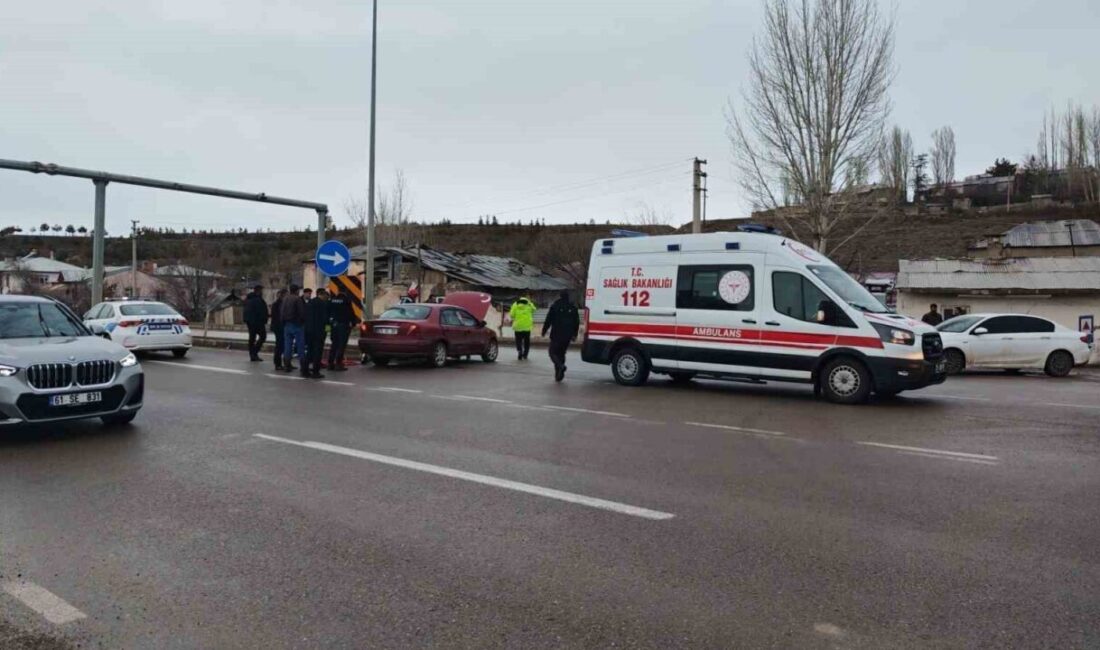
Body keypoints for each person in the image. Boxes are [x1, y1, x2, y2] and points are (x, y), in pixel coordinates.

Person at [541, 290, 580, 382]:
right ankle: (559, 374)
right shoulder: (573, 307)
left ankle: (560, 367)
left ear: (560, 296)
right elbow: (576, 322)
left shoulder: (555, 306)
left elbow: (548, 319)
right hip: (567, 335)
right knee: (561, 354)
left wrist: (544, 330)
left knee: (552, 353)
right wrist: (575, 334)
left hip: (556, 334)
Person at [327, 284, 357, 372]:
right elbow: (351, 313)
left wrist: (329, 325)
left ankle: (330, 363)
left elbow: (328, 312)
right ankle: (338, 364)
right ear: (346, 291)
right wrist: (353, 323)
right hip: (343, 325)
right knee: (341, 345)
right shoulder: (346, 300)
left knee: (334, 344)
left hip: (333, 325)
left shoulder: (332, 300)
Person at [303, 288, 330, 378]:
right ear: (323, 295)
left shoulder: (309, 303)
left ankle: (305, 370)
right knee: (317, 352)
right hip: (319, 331)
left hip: (308, 331)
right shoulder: (323, 304)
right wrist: (327, 330)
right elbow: (325, 319)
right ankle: (315, 371)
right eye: (326, 297)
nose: (327, 299)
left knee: (309, 351)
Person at [279, 284, 307, 373]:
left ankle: (287, 365)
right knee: (300, 346)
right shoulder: (297, 299)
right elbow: (302, 312)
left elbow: (282, 312)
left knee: (287, 346)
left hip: (287, 325)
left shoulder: (285, 299)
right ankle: (303, 367)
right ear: (297, 291)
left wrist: (283, 322)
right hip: (297, 325)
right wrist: (303, 321)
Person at [242, 285, 268, 362]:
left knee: (252, 338)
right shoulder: (258, 300)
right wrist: (264, 320)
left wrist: (246, 320)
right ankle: (254, 353)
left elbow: (245, 312)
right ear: (258, 291)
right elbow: (261, 312)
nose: (262, 292)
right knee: (263, 336)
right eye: (261, 290)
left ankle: (252, 354)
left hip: (250, 322)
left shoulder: (248, 299)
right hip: (257, 322)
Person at [270, 288, 287, 370]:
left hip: (279, 327)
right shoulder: (278, 304)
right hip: (279, 327)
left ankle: (281, 363)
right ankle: (278, 363)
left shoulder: (278, 304)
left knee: (281, 345)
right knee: (280, 345)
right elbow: (277, 317)